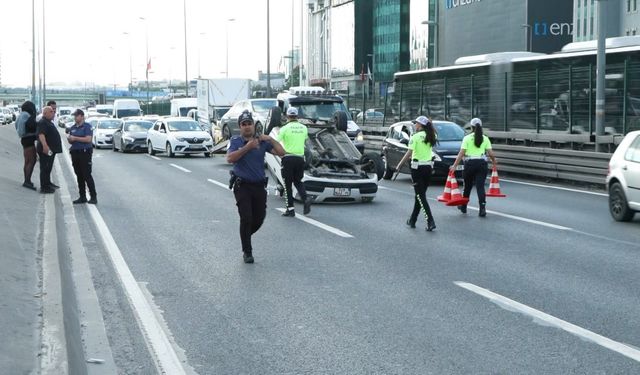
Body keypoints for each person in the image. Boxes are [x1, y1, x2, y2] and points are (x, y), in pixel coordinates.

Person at [227, 110, 285, 264]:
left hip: (259, 186)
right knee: (246, 218)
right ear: (240, 127)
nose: (247, 127)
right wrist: (248, 147)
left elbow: (282, 152)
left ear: (253, 125)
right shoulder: (236, 141)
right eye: (244, 124)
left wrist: (271, 140)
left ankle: (244, 235)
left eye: (249, 124)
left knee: (259, 218)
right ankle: (247, 251)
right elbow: (230, 158)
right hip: (242, 186)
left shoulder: (262, 142)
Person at [395, 116, 437, 232]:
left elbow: (409, 153)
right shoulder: (432, 135)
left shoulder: (415, 137)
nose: (415, 125)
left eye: (416, 123)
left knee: (420, 196)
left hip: (417, 169)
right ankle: (413, 220)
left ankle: (430, 220)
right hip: (428, 168)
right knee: (419, 195)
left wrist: (399, 165)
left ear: (421, 125)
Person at [450, 118, 498, 217]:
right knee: (480, 187)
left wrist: (454, 165)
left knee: (467, 186)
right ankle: (482, 208)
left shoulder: (467, 138)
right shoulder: (485, 138)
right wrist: (494, 162)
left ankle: (464, 206)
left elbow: (461, 153)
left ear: (471, 127)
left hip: (470, 164)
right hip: (482, 164)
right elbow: (491, 153)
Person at [278, 107, 312, 217]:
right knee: (298, 181)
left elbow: (276, 141)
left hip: (288, 158)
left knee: (287, 185)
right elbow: (305, 141)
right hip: (300, 158)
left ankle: (290, 210)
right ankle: (305, 198)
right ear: (297, 116)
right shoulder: (303, 128)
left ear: (287, 116)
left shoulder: (284, 128)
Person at [67, 109, 97, 204]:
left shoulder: (87, 127)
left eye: (77, 116)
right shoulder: (73, 127)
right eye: (74, 116)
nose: (75, 117)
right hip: (75, 152)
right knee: (79, 175)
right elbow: (70, 140)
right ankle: (82, 196)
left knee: (87, 175)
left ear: (82, 116)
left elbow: (88, 139)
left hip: (85, 153)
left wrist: (75, 138)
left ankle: (93, 196)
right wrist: (70, 139)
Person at [36, 106, 62, 194]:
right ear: (45, 113)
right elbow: (41, 135)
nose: (53, 113)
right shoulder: (43, 122)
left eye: (53, 111)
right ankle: (44, 187)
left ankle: (48, 183)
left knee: (48, 167)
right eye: (51, 111)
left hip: (51, 149)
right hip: (46, 149)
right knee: (45, 167)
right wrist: (45, 146)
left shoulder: (48, 122)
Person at [14, 101, 38, 190]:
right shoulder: (26, 115)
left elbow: (17, 126)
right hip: (28, 139)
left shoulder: (20, 115)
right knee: (32, 160)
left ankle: (27, 180)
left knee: (27, 161)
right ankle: (27, 181)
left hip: (24, 140)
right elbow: (30, 126)